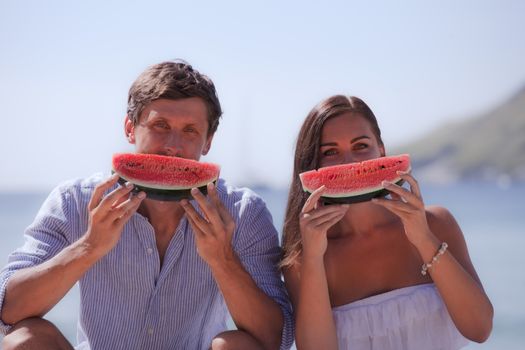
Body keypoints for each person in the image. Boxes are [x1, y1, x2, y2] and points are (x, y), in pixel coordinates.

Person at [0, 60, 293, 350]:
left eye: (190, 130)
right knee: (23, 339)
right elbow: (7, 309)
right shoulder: (74, 201)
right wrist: (88, 248)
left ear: (208, 142)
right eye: (160, 125)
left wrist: (223, 259)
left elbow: (274, 340)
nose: (173, 146)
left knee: (236, 346)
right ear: (130, 128)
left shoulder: (242, 212)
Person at [280, 95, 493, 350]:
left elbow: (480, 329)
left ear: (381, 150)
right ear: (313, 164)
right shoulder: (301, 259)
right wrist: (314, 258)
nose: (349, 163)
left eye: (360, 146)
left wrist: (423, 239)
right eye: (330, 152)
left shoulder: (438, 224)